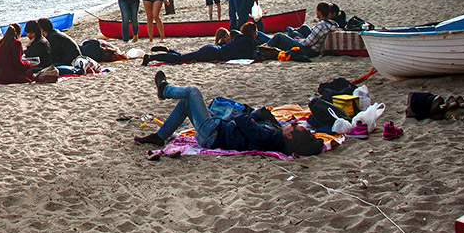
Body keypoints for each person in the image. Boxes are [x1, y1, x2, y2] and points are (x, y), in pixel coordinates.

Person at [132, 71, 322, 157]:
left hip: (212, 133)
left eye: (295, 125)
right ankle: (159, 136)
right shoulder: (275, 134)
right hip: (215, 130)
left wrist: (252, 114)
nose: (294, 121)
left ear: (289, 135)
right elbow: (256, 125)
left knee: (193, 92)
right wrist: (263, 115)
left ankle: (164, 90)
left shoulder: (270, 135)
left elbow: (246, 123)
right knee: (184, 105)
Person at [142, 23, 259, 66]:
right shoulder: (247, 42)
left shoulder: (240, 39)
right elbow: (249, 54)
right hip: (213, 53)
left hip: (212, 49)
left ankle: (168, 50)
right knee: (181, 59)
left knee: (184, 57)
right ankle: (151, 57)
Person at [263, 3, 337, 58]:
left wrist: (298, 40)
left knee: (279, 36)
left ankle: (264, 48)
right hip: (312, 47)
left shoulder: (321, 26)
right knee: (301, 29)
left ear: (319, 12)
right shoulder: (331, 23)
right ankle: (291, 34)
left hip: (309, 51)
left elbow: (308, 43)